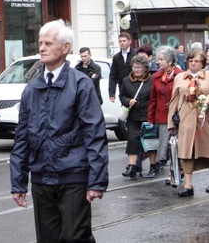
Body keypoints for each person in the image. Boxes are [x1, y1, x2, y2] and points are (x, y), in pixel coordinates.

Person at [10, 20, 108, 243]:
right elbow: (22, 139)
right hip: (42, 179)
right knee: (48, 239)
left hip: (73, 176)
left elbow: (95, 134)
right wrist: (18, 182)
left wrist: (96, 181)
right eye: (40, 43)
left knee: (75, 237)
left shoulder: (81, 85)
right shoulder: (32, 88)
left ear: (65, 48)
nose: (41, 48)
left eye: (48, 43)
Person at [167, 49, 209, 196]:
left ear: (203, 63)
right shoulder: (180, 78)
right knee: (186, 152)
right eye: (190, 61)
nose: (193, 63)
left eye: (196, 61)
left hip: (205, 120)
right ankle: (188, 185)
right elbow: (174, 100)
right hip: (186, 119)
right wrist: (171, 123)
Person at [146, 45, 183, 180]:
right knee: (165, 146)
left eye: (161, 59)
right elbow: (153, 98)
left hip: (178, 116)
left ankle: (175, 171)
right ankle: (173, 170)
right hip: (162, 116)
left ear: (170, 61)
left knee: (177, 144)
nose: (158, 62)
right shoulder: (156, 77)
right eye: (158, 59)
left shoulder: (181, 75)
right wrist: (150, 117)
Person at [120, 55, 153, 180]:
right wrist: (128, 101)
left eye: (139, 67)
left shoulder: (151, 80)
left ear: (145, 68)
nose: (137, 70)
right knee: (132, 140)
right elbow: (122, 96)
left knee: (149, 142)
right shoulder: (126, 81)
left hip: (147, 115)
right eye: (134, 67)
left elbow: (154, 98)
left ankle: (153, 165)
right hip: (133, 116)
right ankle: (131, 166)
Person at [109, 32, 134, 102]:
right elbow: (113, 75)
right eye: (120, 41)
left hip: (134, 85)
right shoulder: (116, 57)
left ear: (129, 41)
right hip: (123, 87)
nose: (122, 43)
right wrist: (112, 93)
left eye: (124, 41)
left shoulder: (135, 54)